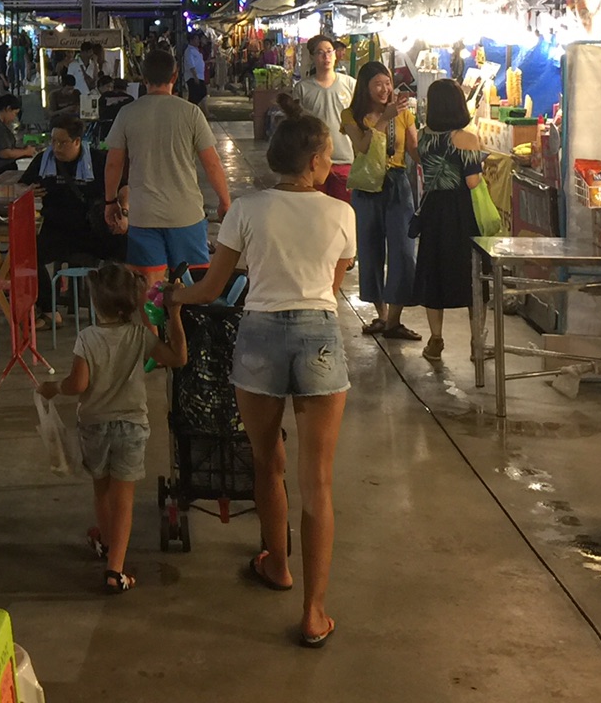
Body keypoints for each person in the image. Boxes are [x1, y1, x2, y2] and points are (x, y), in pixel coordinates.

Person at [173, 96, 355, 649]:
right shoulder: (341, 213)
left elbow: (209, 288)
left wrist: (168, 296)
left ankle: (277, 563)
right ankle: (315, 614)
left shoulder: (246, 210)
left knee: (266, 461)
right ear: (316, 161)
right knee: (316, 481)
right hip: (318, 335)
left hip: (257, 336)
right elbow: (335, 284)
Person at [39, 262, 186, 594]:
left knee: (101, 491)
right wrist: (172, 316)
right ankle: (115, 568)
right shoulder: (140, 336)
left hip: (94, 425)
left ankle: (106, 544)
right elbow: (178, 358)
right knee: (124, 500)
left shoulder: (87, 338)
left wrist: (54, 388)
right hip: (132, 427)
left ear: (95, 302)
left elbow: (78, 384)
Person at [103, 50, 232, 279]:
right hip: (186, 215)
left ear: (143, 79)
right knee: (190, 283)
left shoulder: (127, 114)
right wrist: (224, 201)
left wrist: (110, 201)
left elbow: (113, 164)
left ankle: (154, 317)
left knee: (149, 284)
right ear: (175, 76)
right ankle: (183, 316)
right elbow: (212, 164)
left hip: (143, 216)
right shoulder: (191, 113)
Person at [412, 79, 488, 364]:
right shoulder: (466, 138)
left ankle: (435, 340)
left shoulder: (423, 135)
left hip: (432, 210)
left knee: (435, 271)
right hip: (460, 211)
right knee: (472, 275)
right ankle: (476, 343)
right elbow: (471, 181)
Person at [344, 62, 420, 340]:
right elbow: (362, 146)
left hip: (397, 184)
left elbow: (413, 149)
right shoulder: (351, 115)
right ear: (365, 87)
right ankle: (382, 314)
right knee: (370, 250)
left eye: (387, 82)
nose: (385, 89)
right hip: (366, 187)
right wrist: (385, 118)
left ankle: (394, 321)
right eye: (378, 83)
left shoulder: (404, 114)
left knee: (403, 251)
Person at [21, 115, 127, 270]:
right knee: (27, 256)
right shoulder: (43, 159)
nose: (56, 147)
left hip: (92, 229)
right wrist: (26, 191)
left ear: (77, 141)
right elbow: (20, 186)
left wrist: (124, 212)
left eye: (62, 143)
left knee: (126, 247)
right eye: (53, 141)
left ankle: (109, 291)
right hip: (56, 228)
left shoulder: (97, 160)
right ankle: (45, 294)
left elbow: (124, 187)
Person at [290, 35, 357, 202]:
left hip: (344, 159)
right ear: (312, 57)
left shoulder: (350, 85)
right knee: (315, 211)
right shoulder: (302, 89)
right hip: (314, 162)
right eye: (320, 53)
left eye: (329, 51)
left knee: (343, 210)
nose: (326, 57)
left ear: (335, 54)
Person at [181, 33, 209, 111]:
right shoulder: (189, 51)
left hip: (199, 76)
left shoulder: (196, 50)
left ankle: (198, 111)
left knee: (200, 94)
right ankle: (191, 110)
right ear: (191, 40)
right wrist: (195, 76)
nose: (198, 41)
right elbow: (191, 64)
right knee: (196, 94)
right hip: (193, 77)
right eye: (196, 39)